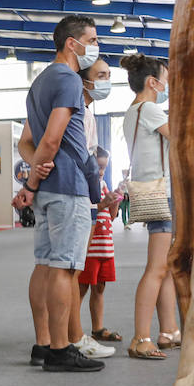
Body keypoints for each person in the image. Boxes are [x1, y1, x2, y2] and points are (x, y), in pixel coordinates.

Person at [11, 15, 106, 372]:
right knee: (65, 269)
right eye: (92, 39)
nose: (95, 47)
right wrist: (33, 180)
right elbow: (50, 139)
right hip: (67, 188)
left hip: (51, 188)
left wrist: (35, 172)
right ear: (72, 43)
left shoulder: (39, 82)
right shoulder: (67, 79)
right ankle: (62, 349)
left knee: (46, 264)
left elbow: (27, 144)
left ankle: (44, 344)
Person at [120, 53, 179, 359]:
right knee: (157, 268)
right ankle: (141, 337)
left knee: (164, 267)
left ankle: (168, 330)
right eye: (167, 81)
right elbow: (182, 139)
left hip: (148, 191)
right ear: (152, 82)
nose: (168, 86)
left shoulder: (132, 111)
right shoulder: (151, 109)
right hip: (162, 193)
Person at [80, 146, 123, 343]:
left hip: (105, 248)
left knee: (99, 288)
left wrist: (114, 201)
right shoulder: (85, 186)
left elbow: (111, 216)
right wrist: (103, 204)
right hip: (89, 249)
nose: (101, 172)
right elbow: (87, 210)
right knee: (80, 289)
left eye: (104, 167)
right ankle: (73, 330)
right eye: (98, 167)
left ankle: (97, 328)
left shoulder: (104, 184)